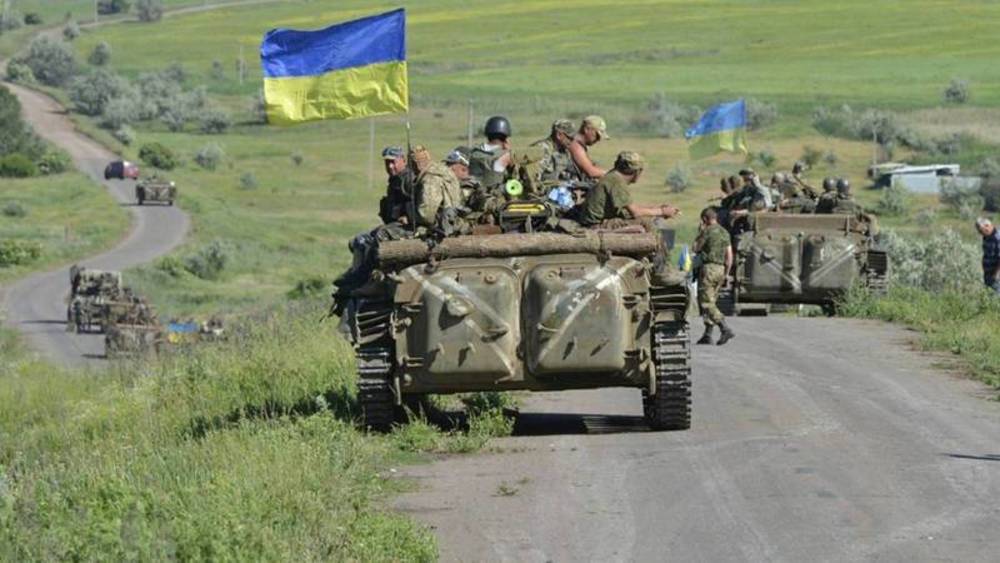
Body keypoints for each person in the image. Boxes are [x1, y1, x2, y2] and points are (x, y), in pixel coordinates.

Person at [578, 151, 679, 228]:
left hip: (593, 221)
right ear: (637, 172)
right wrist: (661, 212)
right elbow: (635, 212)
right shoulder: (617, 181)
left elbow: (629, 207)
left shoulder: (612, 176)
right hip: (595, 225)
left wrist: (656, 208)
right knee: (645, 222)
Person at [693, 207, 735, 346]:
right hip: (721, 269)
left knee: (706, 302)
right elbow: (729, 256)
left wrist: (700, 232)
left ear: (705, 219)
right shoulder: (725, 232)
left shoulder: (707, 231)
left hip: (709, 268)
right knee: (712, 301)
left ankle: (724, 328)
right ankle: (708, 334)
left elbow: (696, 248)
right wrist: (726, 273)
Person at [409, 145, 462, 229]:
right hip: (454, 220)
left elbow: (427, 215)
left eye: (410, 164)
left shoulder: (430, 179)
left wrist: (409, 216)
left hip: (442, 227)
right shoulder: (443, 170)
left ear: (416, 164)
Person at [468, 116, 513, 192]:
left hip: (473, 193)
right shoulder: (505, 155)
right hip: (494, 194)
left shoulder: (475, 152)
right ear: (506, 137)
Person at [532, 119, 576, 183]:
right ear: (559, 135)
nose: (572, 141)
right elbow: (533, 178)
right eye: (570, 138)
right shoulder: (542, 149)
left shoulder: (565, 151)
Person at [568, 115, 609, 180]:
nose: (598, 139)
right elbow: (591, 172)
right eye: (597, 135)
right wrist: (613, 174)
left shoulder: (578, 145)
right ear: (586, 129)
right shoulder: (576, 146)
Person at [977, 217, 1000, 294]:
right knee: (988, 297)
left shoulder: (998, 237)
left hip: (996, 276)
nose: (981, 233)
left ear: (988, 226)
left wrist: (997, 274)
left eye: (981, 231)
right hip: (988, 274)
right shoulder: (986, 237)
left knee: (996, 297)